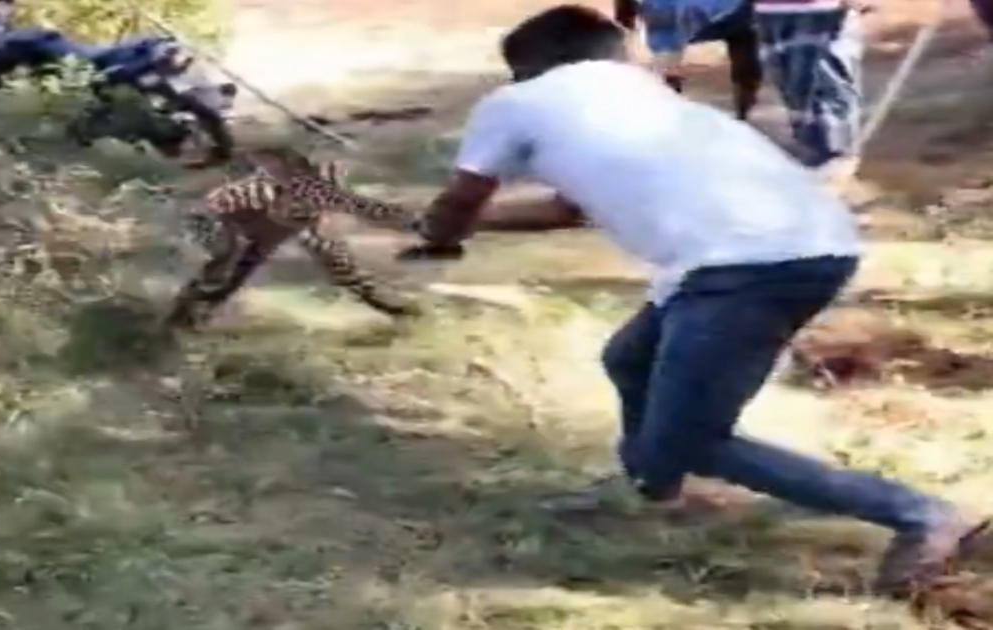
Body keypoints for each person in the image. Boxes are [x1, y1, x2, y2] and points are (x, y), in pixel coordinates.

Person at [397, 4, 988, 597]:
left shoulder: (516, 103)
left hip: (744, 269)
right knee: (629, 359)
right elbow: (563, 210)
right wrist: (455, 226)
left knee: (698, 440)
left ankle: (920, 514)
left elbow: (461, 199)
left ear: (526, 67)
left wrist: (438, 236)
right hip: (802, 244)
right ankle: (653, 487)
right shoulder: (646, 98)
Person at [753, 0, 866, 181]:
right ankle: (813, 154)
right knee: (793, 88)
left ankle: (832, 158)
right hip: (768, 11)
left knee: (825, 87)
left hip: (823, 10)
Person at [614, 0, 763, 120]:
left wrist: (625, 16)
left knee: (667, 53)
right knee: (744, 34)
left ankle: (669, 107)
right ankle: (744, 103)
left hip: (666, 13)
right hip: (728, 12)